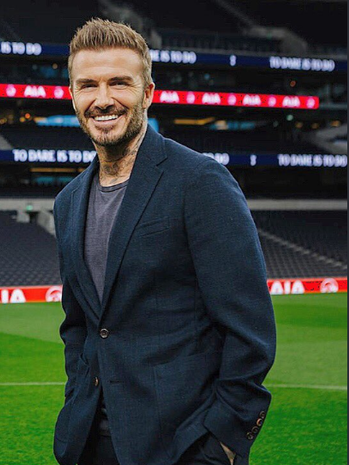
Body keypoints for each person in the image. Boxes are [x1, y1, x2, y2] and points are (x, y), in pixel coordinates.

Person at [52, 19, 276, 465]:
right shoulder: (68, 201)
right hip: (90, 443)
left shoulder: (201, 181)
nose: (103, 99)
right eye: (88, 85)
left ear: (149, 92)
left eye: (120, 83)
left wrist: (223, 443)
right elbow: (78, 325)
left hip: (182, 445)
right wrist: (78, 395)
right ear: (73, 96)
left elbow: (250, 332)